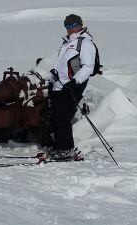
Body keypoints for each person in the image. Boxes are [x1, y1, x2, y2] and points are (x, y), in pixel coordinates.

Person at [48, 14, 97, 160]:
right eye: (67, 26)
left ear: (80, 24)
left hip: (73, 86)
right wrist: (53, 80)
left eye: (73, 25)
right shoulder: (67, 43)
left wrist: (75, 82)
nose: (70, 29)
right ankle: (60, 146)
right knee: (56, 117)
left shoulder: (85, 43)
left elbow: (88, 67)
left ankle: (66, 150)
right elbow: (62, 65)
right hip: (59, 85)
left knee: (63, 117)